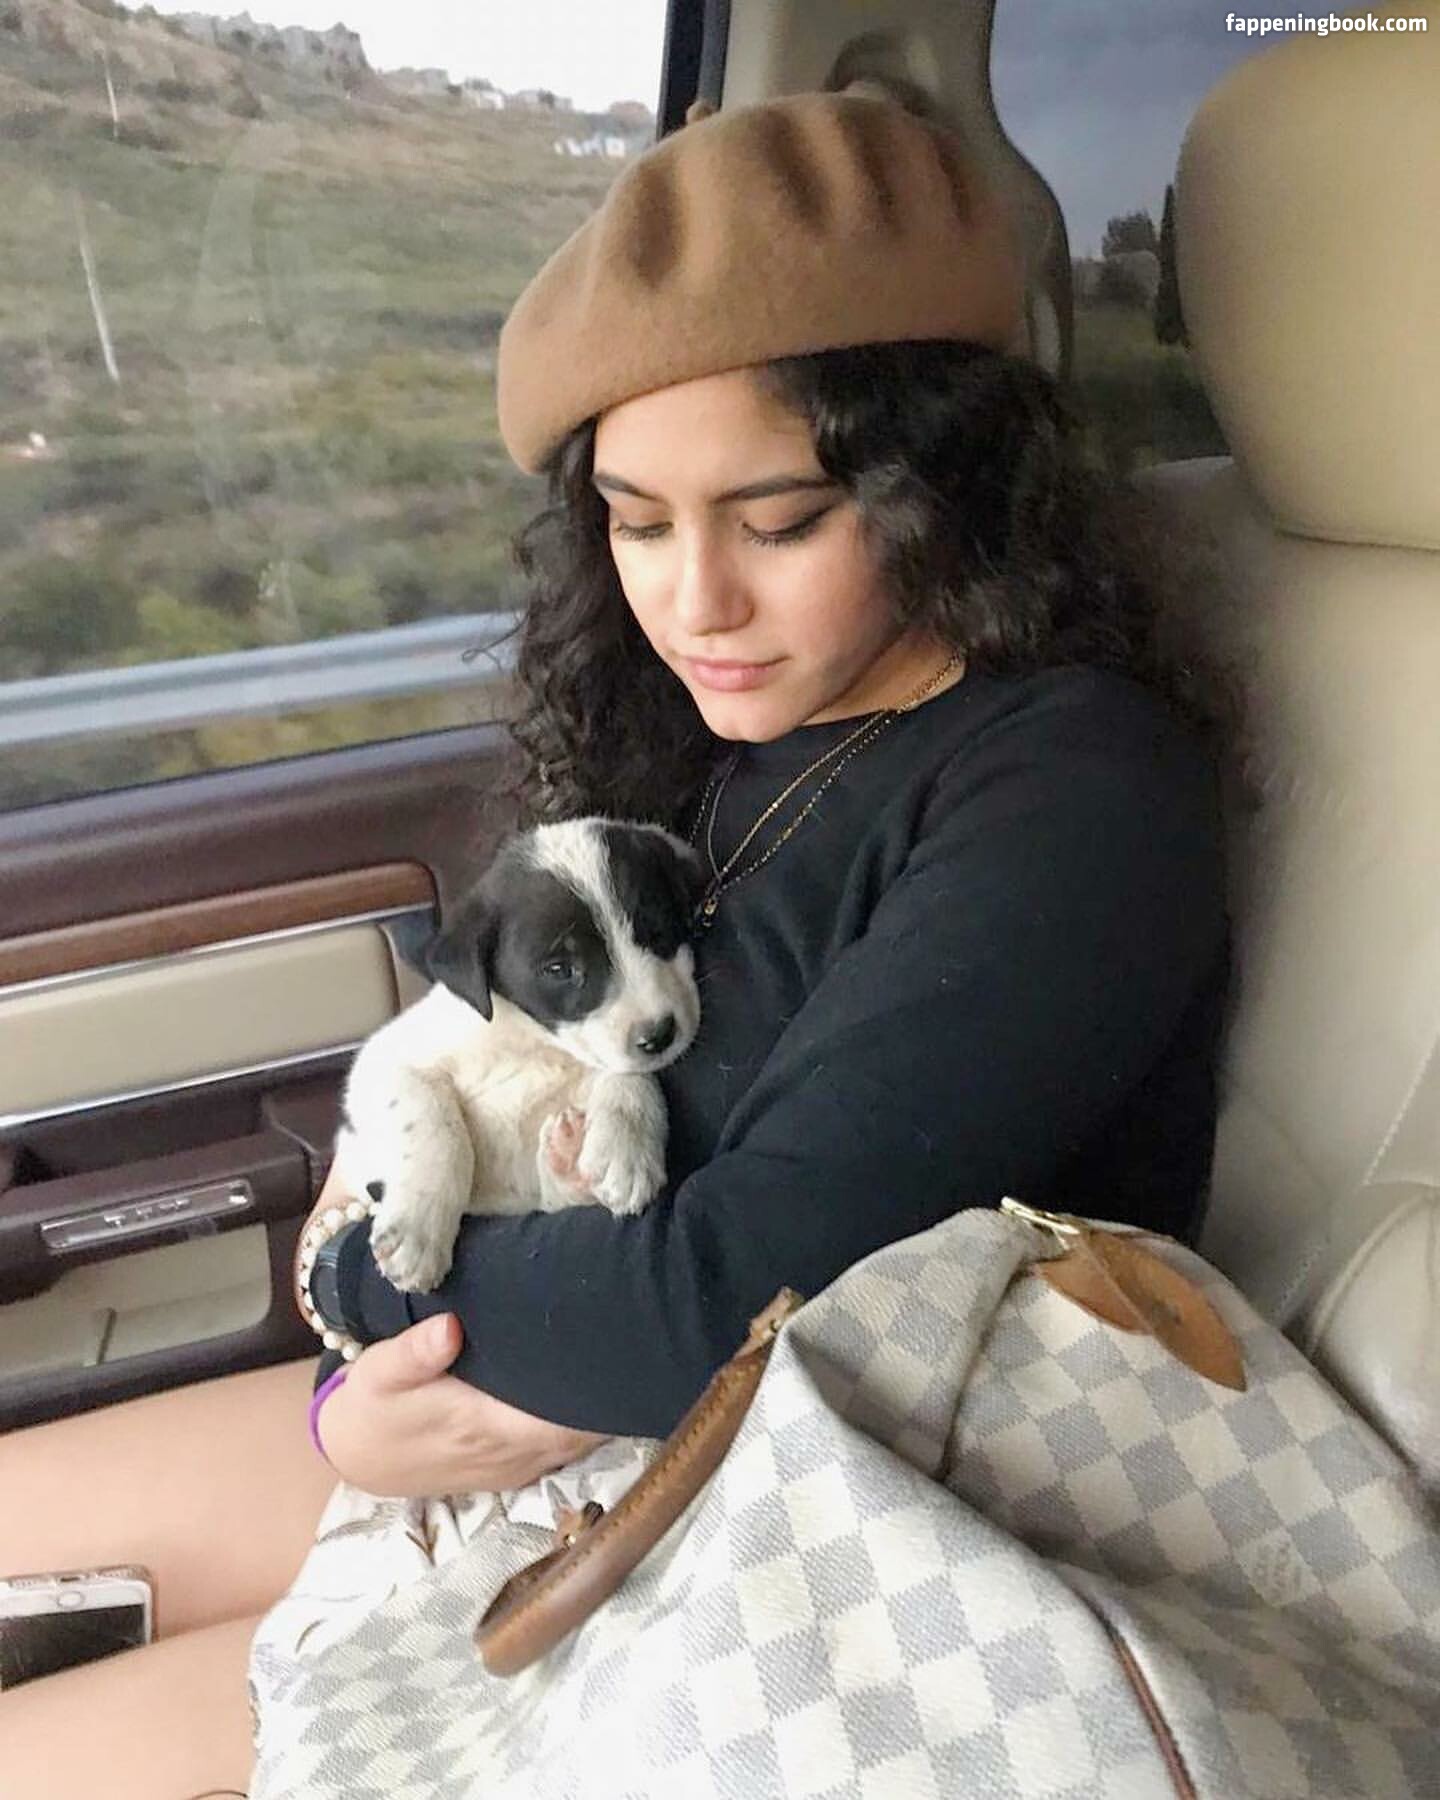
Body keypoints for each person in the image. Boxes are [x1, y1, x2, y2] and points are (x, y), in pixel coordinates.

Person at [0, 91, 1229, 1795]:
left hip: (799, 1508)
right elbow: (473, 1079)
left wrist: (365, 1295)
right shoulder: (697, 749)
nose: (695, 601)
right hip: (532, 1402)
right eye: (638, 523)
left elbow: (726, 1303)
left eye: (780, 520)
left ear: (953, 488)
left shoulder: (1075, 786)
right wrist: (357, 1379)